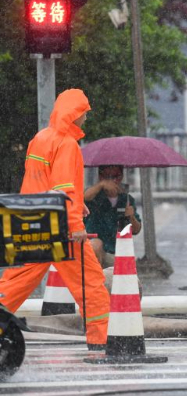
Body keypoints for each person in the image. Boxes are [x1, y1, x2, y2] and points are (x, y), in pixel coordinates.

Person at [0, 89, 110, 350]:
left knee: (15, 282)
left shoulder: (41, 138)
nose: (85, 119)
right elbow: (63, 189)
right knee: (90, 283)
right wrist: (74, 226)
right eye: (84, 113)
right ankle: (102, 339)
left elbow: (42, 181)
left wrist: (79, 204)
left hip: (32, 219)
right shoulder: (67, 144)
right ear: (76, 114)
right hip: (60, 226)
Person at [84, 165, 141, 268]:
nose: (112, 181)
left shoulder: (127, 199)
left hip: (117, 252)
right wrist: (101, 185)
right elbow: (83, 197)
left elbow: (136, 230)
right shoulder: (93, 196)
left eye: (116, 176)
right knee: (95, 245)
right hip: (96, 252)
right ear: (100, 176)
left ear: (121, 176)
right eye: (107, 177)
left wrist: (131, 217)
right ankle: (94, 280)